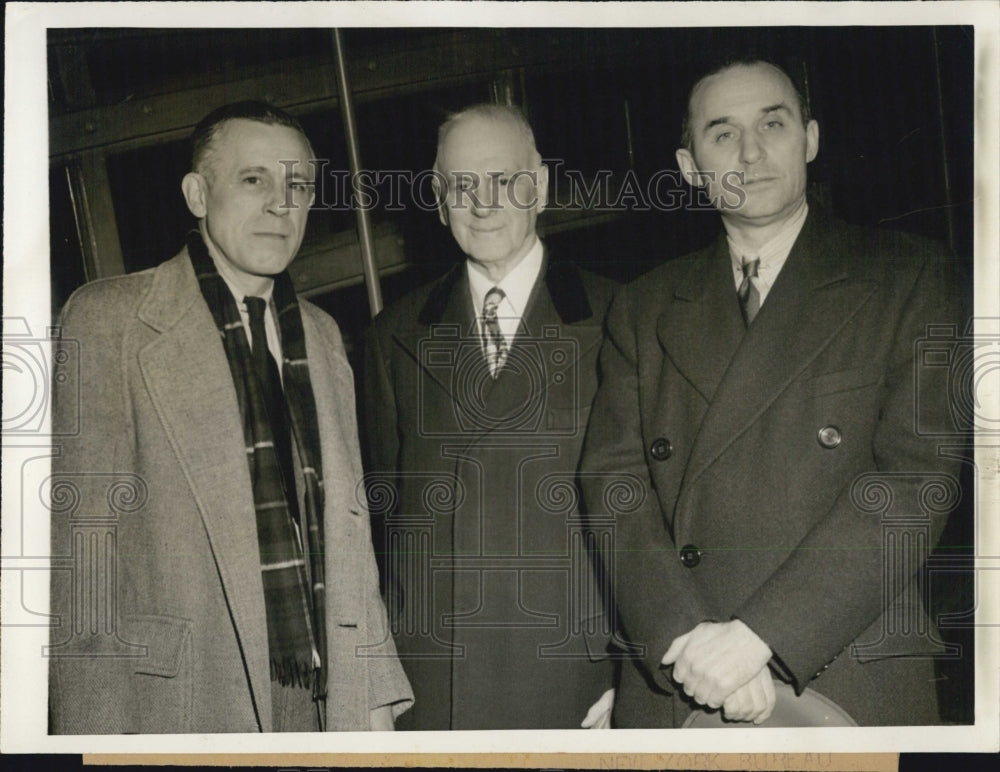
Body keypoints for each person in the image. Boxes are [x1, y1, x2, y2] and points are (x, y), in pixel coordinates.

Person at [580, 59, 966, 727]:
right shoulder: (643, 307)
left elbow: (914, 480)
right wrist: (688, 640)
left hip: (843, 658)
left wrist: (762, 637)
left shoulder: (911, 276)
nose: (751, 152)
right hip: (681, 673)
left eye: (774, 124)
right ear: (689, 164)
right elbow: (613, 483)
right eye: (722, 133)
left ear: (810, 140)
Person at [48, 101, 412, 733]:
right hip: (185, 697)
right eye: (254, 180)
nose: (281, 204)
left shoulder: (323, 337)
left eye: (297, 185)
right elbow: (83, 563)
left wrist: (376, 698)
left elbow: (352, 541)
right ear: (197, 193)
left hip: (328, 694)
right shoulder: (111, 321)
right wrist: (92, 738)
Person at [364, 104, 618, 729]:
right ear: (437, 196)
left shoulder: (622, 317)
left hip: (579, 679)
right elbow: (380, 525)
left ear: (542, 185)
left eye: (505, 181)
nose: (483, 204)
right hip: (437, 683)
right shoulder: (392, 335)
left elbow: (652, 523)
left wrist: (630, 676)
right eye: (461, 185)